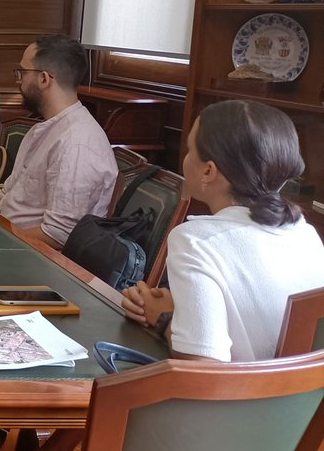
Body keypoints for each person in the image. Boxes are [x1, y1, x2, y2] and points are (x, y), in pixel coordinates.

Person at [122, 100, 324, 362]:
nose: (184, 159)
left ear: (208, 170)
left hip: (240, 401)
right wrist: (181, 311)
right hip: (299, 401)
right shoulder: (305, 235)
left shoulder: (195, 241)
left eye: (189, 150)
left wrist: (162, 317)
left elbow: (201, 366)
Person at [0, 34, 116, 248]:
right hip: (6, 238)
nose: (19, 80)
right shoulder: (43, 128)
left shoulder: (77, 144)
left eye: (22, 72)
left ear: (44, 79)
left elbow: (57, 235)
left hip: (29, 257)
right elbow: (7, 197)